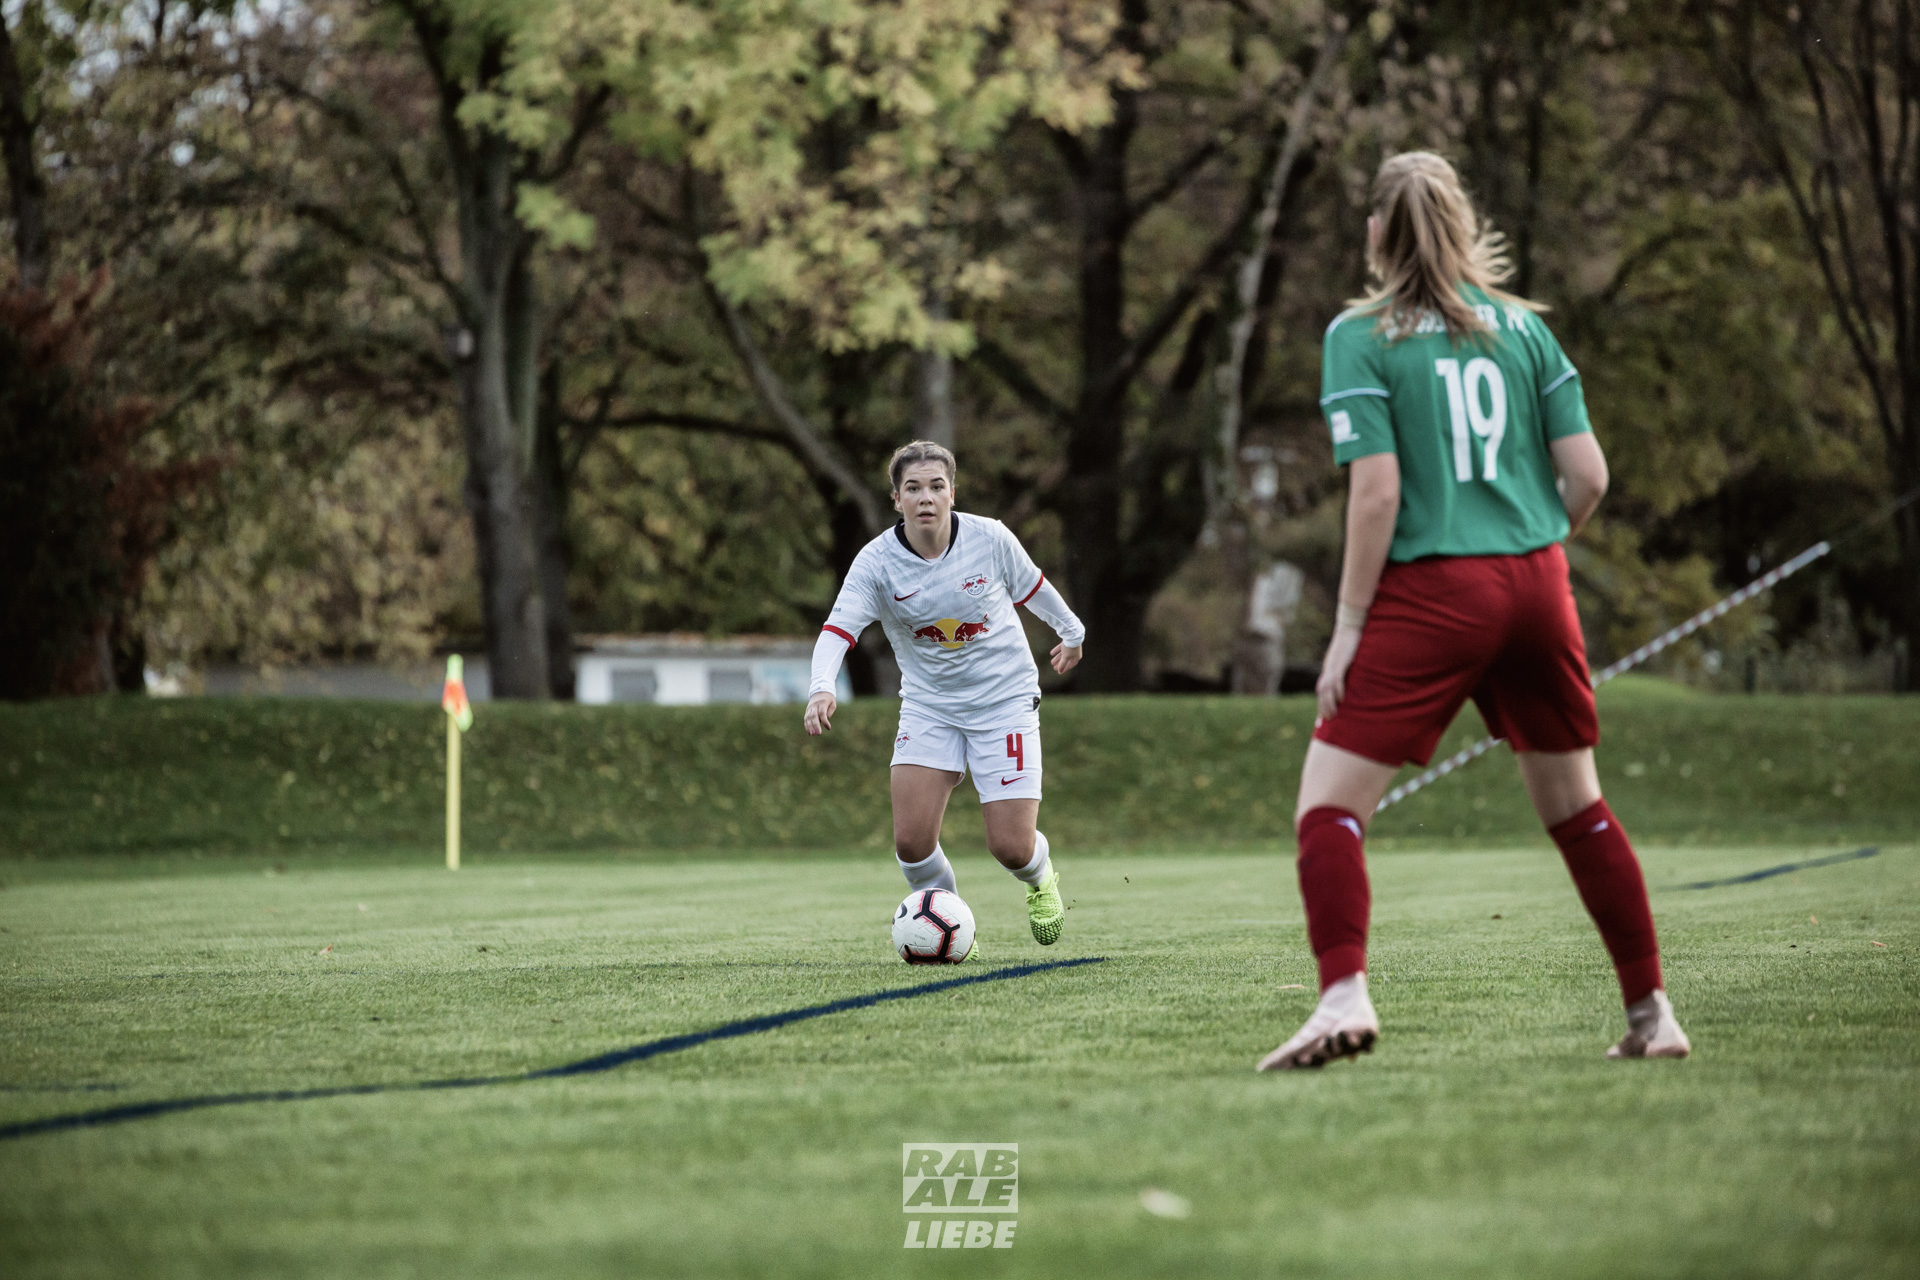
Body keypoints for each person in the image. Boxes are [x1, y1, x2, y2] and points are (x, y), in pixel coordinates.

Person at [1258, 152, 1690, 1070]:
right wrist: (1528, 551)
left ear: (1377, 233)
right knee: (1579, 810)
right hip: (1537, 582)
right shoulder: (1526, 329)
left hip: (1433, 591)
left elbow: (1377, 495)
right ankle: (1654, 1015)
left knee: (1328, 810)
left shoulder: (1360, 336)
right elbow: (1589, 477)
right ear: (1463, 225)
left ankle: (1343, 998)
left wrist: (1347, 628)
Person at [806, 441, 1086, 949]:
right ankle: (957, 932)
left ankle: (1041, 879)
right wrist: (821, 687)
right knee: (912, 844)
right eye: (913, 488)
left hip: (1004, 701)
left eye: (937, 486)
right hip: (929, 706)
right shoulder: (876, 563)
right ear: (897, 499)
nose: (926, 497)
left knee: (1011, 848)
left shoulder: (990, 538)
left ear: (952, 493)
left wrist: (1072, 633)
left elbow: (1034, 587)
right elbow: (837, 631)